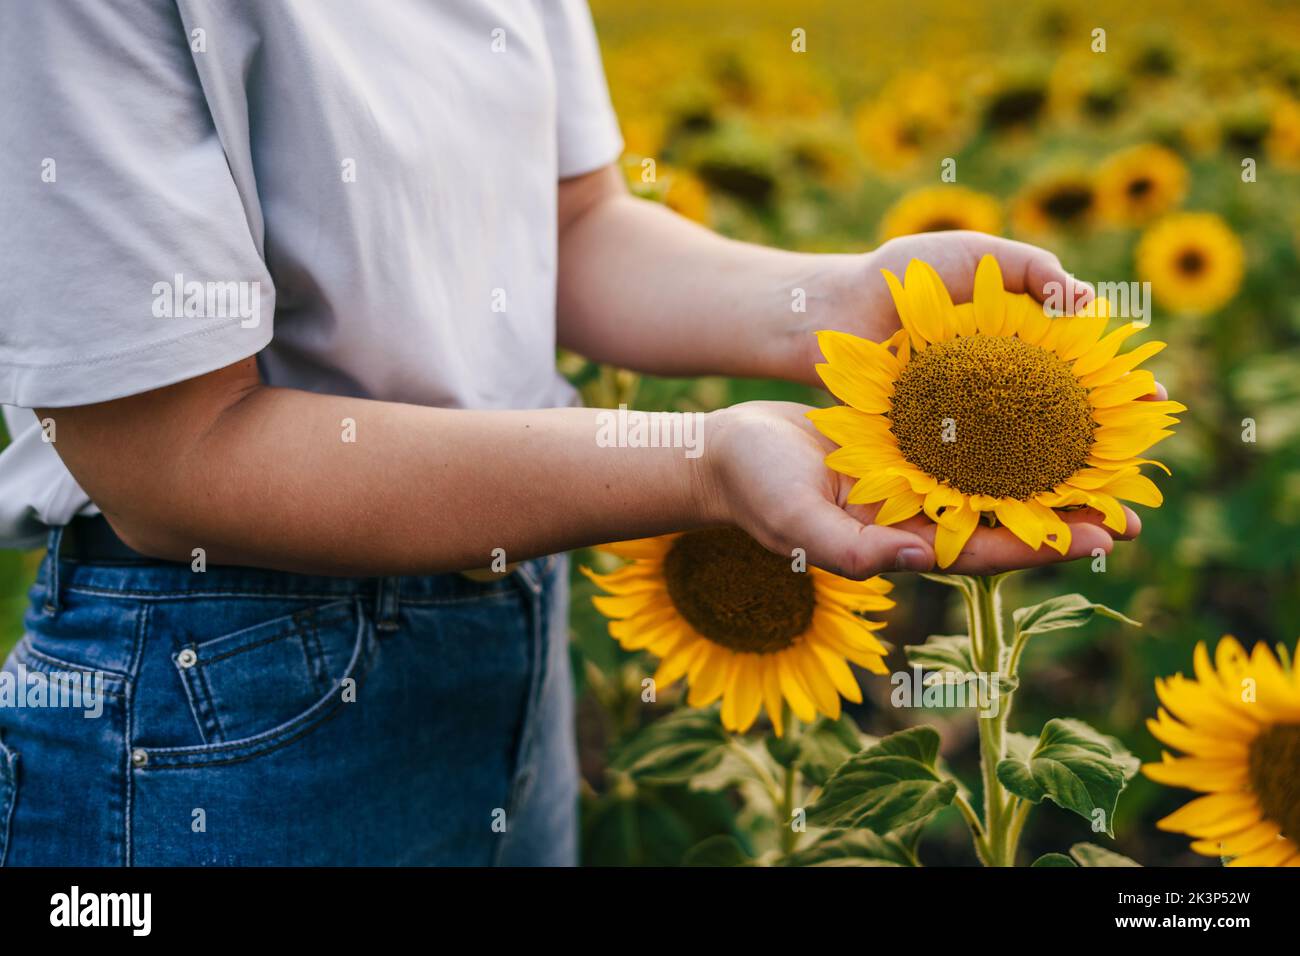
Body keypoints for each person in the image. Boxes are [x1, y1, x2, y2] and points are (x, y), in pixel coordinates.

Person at [0, 0, 1148, 865]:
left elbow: (572, 228)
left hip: (512, 612)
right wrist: (693, 460)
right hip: (223, 703)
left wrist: (843, 302)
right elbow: (173, 454)